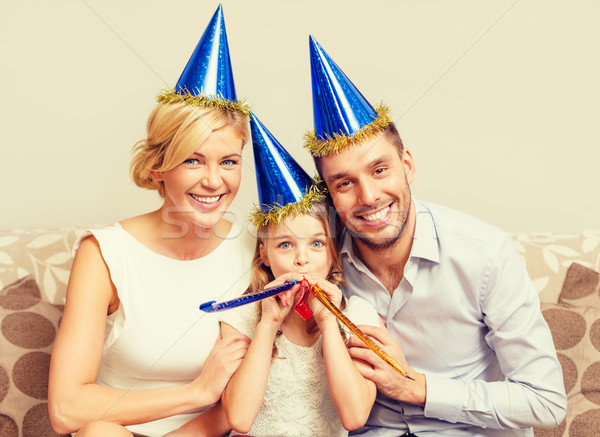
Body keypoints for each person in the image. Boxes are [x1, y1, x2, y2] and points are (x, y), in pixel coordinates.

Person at [303, 36, 567, 436]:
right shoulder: (319, 259)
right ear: (329, 195)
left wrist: (419, 388)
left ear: (406, 165)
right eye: (344, 183)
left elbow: (545, 402)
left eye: (379, 170)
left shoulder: (485, 255)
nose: (369, 197)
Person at [48, 6, 253, 436]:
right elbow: (67, 409)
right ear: (159, 167)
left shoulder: (257, 252)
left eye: (229, 161)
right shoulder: (104, 252)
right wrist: (196, 391)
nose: (214, 181)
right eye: (193, 160)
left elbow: (261, 387)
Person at [217, 113, 379, 436]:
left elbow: (354, 416)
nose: (301, 260)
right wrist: (268, 323)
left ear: (334, 257)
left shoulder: (360, 315)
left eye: (317, 244)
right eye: (286, 244)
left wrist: (329, 321)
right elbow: (239, 418)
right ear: (264, 254)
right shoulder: (243, 315)